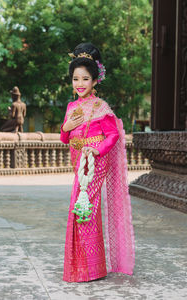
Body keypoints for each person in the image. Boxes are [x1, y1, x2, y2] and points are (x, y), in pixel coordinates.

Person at [60, 43, 135, 282]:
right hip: (79, 161)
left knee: (83, 208)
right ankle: (89, 267)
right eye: (75, 79)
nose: (79, 84)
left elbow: (112, 135)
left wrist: (97, 150)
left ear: (94, 81)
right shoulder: (72, 107)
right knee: (83, 208)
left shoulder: (101, 107)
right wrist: (67, 127)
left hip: (95, 160)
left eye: (85, 79)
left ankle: (86, 267)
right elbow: (65, 138)